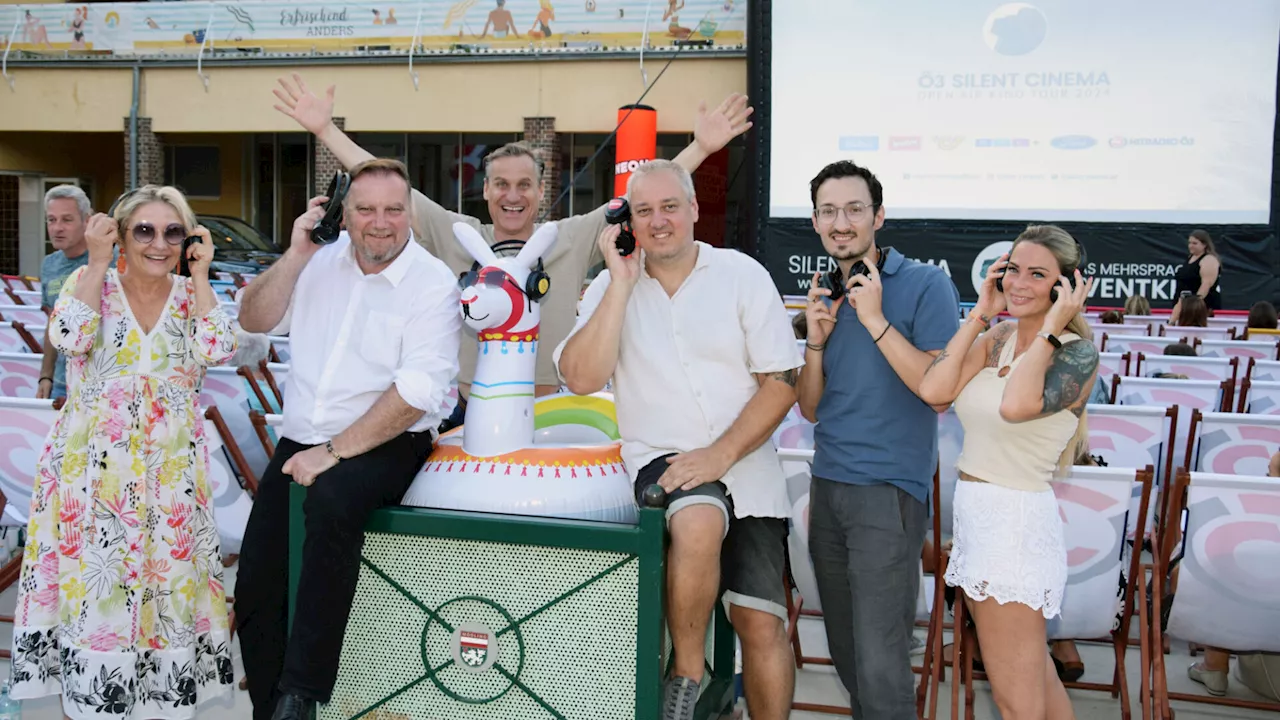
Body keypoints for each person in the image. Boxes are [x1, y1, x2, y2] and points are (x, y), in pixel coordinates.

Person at [271, 73, 752, 423]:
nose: (513, 194)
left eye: (525, 184)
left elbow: (643, 200)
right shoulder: (459, 234)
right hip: (464, 414)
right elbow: (387, 189)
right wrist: (324, 131)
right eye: (501, 184)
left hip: (553, 411)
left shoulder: (568, 237)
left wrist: (701, 148)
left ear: (542, 193)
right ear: (486, 191)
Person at [555, 160, 802, 720]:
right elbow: (581, 376)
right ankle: (686, 676)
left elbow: (782, 383)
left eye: (670, 207)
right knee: (695, 517)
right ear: (626, 221)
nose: (658, 221)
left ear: (694, 209)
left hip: (748, 464)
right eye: (643, 211)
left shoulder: (741, 274)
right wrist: (618, 283)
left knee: (761, 621)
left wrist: (720, 453)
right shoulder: (611, 285)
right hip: (661, 460)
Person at [233, 159, 460, 720]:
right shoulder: (318, 258)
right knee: (256, 584)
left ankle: (302, 693)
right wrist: (296, 254)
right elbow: (255, 319)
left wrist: (334, 453)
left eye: (392, 210)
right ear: (343, 213)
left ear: (409, 213)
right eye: (365, 209)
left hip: (389, 439)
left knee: (331, 501)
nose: (380, 223)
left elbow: (416, 392)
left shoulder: (432, 282)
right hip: (302, 438)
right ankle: (271, 709)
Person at [10, 185, 237, 718]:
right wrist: (95, 260)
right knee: (97, 589)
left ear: (188, 239)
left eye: (172, 232)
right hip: (93, 474)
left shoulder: (190, 295)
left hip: (170, 475)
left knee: (167, 585)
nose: (158, 244)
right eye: (144, 230)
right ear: (120, 233)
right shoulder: (91, 284)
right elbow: (69, 336)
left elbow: (217, 348)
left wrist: (201, 276)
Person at [796, 160, 960, 719]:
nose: (841, 222)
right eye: (828, 211)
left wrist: (875, 320)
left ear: (878, 216)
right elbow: (811, 409)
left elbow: (940, 393)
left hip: (888, 492)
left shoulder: (926, 284)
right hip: (829, 487)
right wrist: (815, 343)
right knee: (846, 653)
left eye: (854, 209)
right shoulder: (828, 295)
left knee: (881, 660)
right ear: (816, 222)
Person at [918, 224, 1098, 720]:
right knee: (1034, 680)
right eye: (1013, 269)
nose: (1018, 282)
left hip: (1012, 528)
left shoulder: (1075, 353)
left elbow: (1017, 405)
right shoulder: (996, 336)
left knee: (1017, 702)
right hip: (982, 522)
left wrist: (1049, 328)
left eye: (1037, 274)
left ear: (1064, 287)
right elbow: (935, 391)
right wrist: (979, 314)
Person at [37, 185, 94, 400]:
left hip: (101, 386)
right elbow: (53, 323)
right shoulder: (49, 265)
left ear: (86, 220)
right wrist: (46, 376)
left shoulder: (112, 261)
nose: (57, 228)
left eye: (66, 220)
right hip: (61, 385)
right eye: (52, 220)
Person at [1172, 230, 1221, 321]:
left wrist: (1192, 306)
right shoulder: (1190, 258)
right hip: (1182, 304)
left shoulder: (1209, 260)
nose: (1191, 246)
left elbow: (1206, 285)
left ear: (1204, 245)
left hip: (1200, 308)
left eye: (1195, 243)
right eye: (1189, 243)